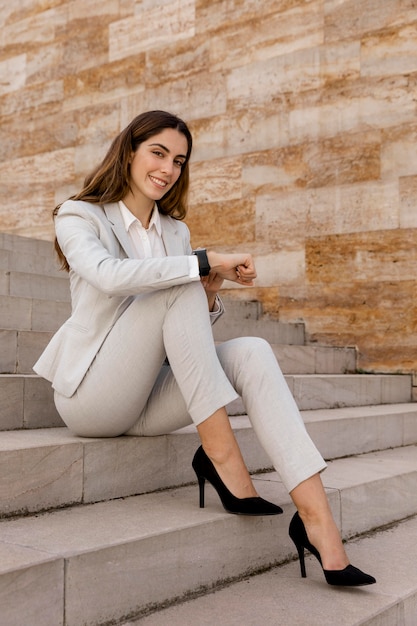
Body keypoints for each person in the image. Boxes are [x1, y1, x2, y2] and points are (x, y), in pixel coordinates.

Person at [34, 110, 375, 587]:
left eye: (178, 160)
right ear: (129, 152)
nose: (167, 169)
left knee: (253, 348)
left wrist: (210, 290)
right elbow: (109, 277)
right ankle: (222, 459)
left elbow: (184, 339)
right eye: (158, 153)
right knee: (180, 278)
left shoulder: (174, 230)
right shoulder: (79, 214)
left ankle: (319, 526)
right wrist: (199, 264)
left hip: (150, 397)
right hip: (93, 398)